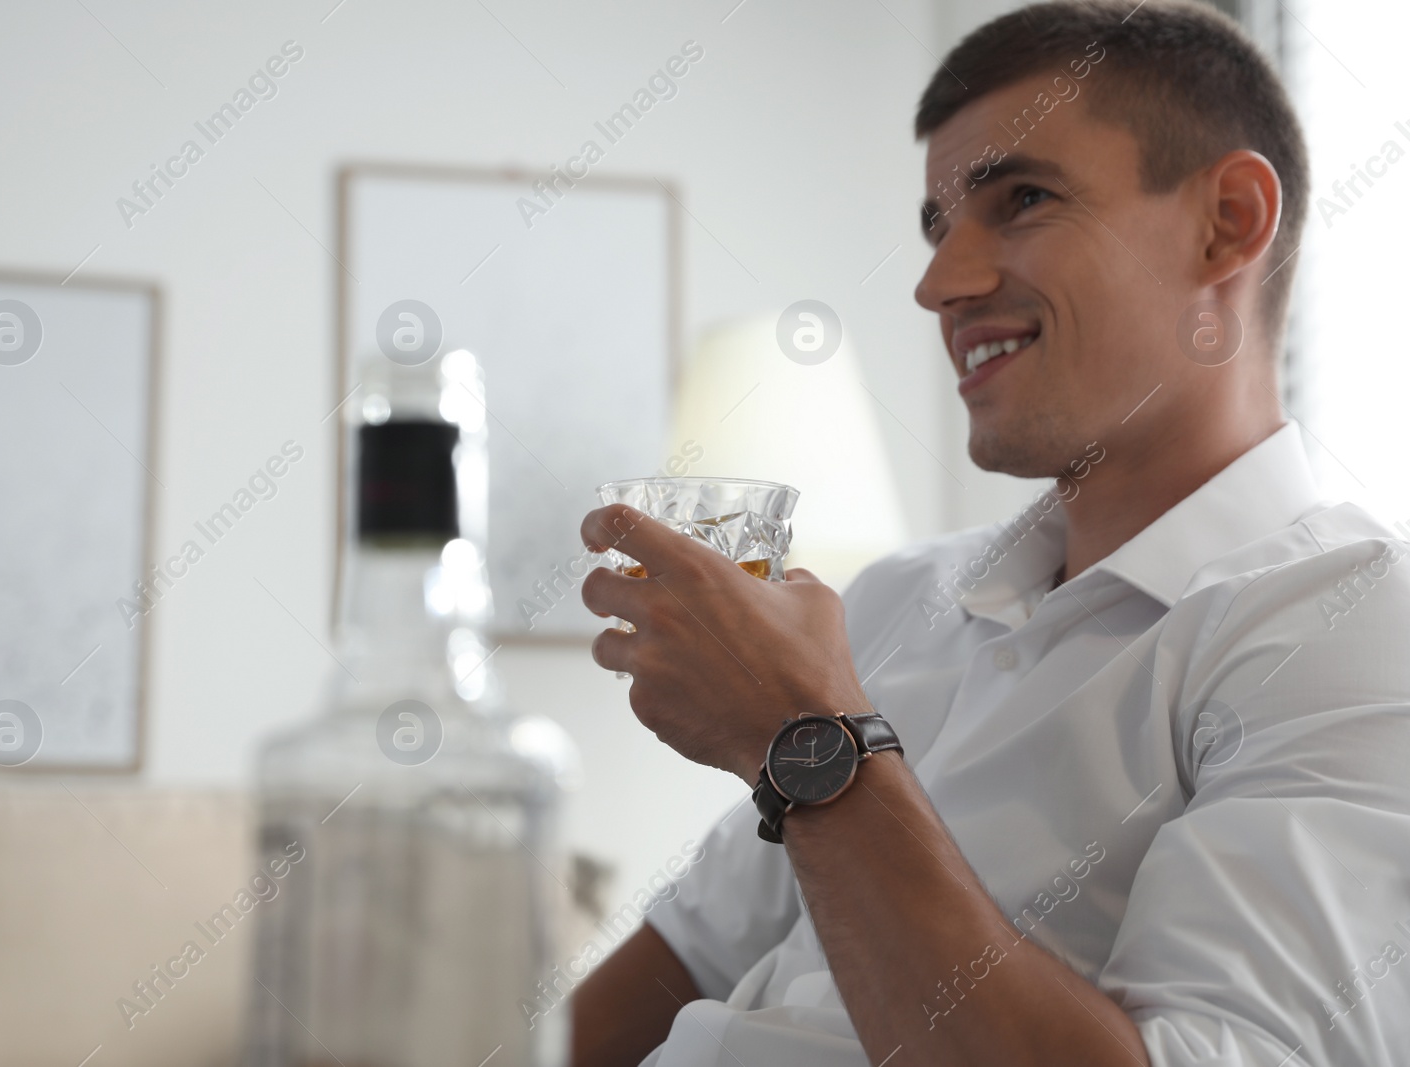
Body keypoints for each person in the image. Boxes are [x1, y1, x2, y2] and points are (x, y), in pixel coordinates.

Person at [570, 2, 1410, 1065]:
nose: (937, 284)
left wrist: (807, 740)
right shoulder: (893, 603)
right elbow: (678, 961)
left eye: (1020, 200)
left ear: (1227, 221)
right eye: (935, 224)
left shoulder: (1350, 624)